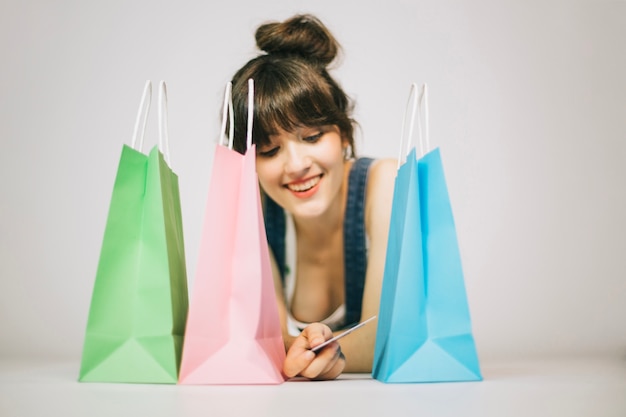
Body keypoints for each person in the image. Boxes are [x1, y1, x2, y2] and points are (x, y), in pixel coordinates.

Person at [228, 14, 396, 380]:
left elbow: (386, 337)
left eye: (312, 136)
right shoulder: (254, 206)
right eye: (270, 151)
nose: (296, 165)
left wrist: (297, 351)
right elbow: (258, 336)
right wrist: (296, 350)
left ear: (344, 135)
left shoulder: (384, 185)